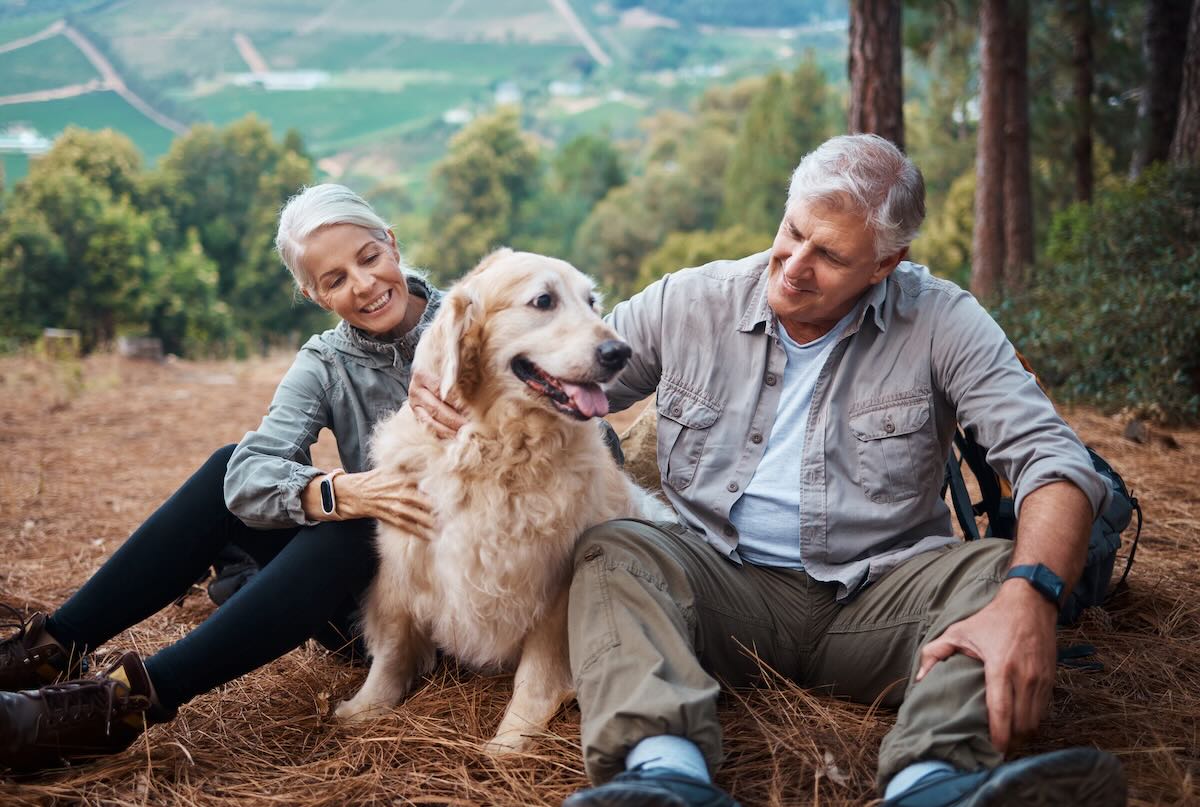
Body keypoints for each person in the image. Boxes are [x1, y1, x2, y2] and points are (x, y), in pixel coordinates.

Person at [411, 135, 1128, 807]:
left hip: (881, 599)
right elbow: (557, 361)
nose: (792, 265)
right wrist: (437, 366)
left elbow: (1054, 461)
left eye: (829, 255)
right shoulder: (689, 301)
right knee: (616, 550)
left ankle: (933, 782)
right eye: (792, 232)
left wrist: (1031, 597)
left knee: (994, 574)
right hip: (718, 592)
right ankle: (666, 774)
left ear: (886, 263)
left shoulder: (944, 320)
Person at [0, 184, 440, 772]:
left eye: (367, 258)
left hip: (465, 606)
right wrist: (336, 490)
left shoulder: (477, 322)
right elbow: (246, 478)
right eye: (334, 280)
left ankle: (117, 709)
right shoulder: (327, 362)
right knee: (230, 469)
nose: (362, 285)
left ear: (391, 242)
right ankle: (51, 651)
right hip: (371, 610)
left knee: (354, 527)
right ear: (313, 295)